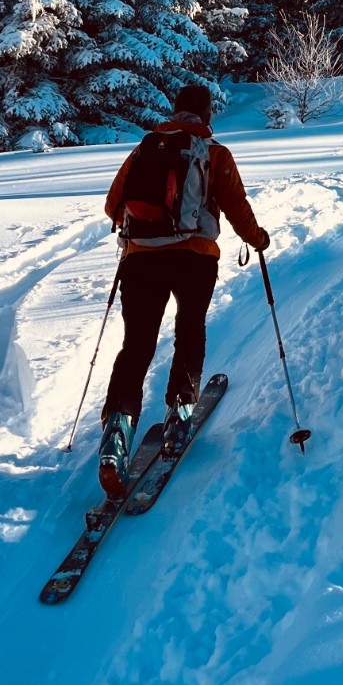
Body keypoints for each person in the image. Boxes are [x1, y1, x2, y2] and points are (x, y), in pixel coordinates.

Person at [96, 83, 269, 497]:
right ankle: (180, 411)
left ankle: (117, 435)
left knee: (136, 344)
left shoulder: (144, 149)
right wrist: (257, 238)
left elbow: (112, 205)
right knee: (189, 328)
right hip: (195, 256)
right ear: (206, 115)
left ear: (175, 112)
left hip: (139, 259)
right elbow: (236, 206)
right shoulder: (214, 154)